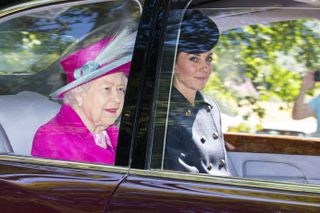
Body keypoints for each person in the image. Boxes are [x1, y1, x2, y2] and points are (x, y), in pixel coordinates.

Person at [32, 28, 135, 164]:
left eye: (121, 89)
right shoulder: (53, 138)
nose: (117, 99)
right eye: (107, 89)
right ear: (79, 94)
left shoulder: (111, 132)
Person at [164, 10, 231, 176]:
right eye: (194, 59)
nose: (205, 67)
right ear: (172, 64)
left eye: (209, 58)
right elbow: (182, 180)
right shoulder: (163, 113)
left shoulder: (210, 107)